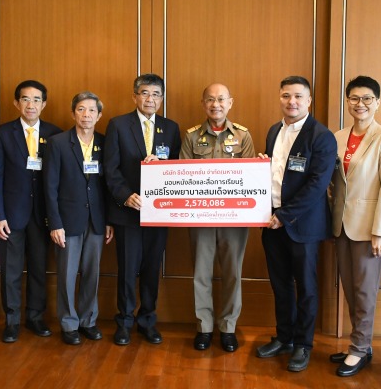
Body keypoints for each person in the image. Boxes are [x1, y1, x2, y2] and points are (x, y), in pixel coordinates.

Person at [255, 75, 336, 372]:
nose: (292, 102)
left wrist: (285, 216)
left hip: (302, 225)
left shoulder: (321, 136)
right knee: (280, 285)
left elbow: (317, 185)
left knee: (306, 287)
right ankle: (284, 337)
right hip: (271, 221)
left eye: (299, 97)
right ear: (280, 98)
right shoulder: (274, 130)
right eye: (286, 96)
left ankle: (303, 345)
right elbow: (275, 176)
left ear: (309, 101)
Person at [329, 76, 381, 376]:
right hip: (340, 225)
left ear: (377, 102)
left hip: (369, 229)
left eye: (367, 99)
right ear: (347, 102)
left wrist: (380, 230)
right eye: (354, 98)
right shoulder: (338, 136)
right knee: (350, 288)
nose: (360, 104)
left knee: (365, 292)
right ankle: (360, 344)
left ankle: (359, 349)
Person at [104, 73, 181, 346]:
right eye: (145, 93)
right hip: (128, 212)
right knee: (127, 269)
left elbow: (178, 171)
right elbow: (110, 170)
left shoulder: (171, 128)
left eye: (156, 94)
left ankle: (147, 320)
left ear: (162, 98)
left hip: (159, 213)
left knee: (151, 269)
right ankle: (124, 321)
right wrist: (126, 196)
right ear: (135, 96)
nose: (151, 99)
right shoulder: (118, 125)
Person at [180, 83, 255, 352]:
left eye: (221, 99)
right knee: (201, 273)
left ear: (230, 103)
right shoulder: (190, 137)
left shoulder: (243, 136)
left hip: (234, 218)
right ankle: (204, 327)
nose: (216, 105)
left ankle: (228, 327)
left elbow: (250, 179)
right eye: (210, 100)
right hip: (200, 218)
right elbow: (182, 180)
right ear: (203, 104)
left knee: (232, 273)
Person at [0, 80, 62, 343]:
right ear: (16, 103)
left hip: (43, 215)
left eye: (36, 100)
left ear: (44, 104)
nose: (30, 105)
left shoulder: (55, 134)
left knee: (39, 268)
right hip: (11, 214)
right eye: (25, 99)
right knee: (10, 269)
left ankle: (35, 317)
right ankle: (11, 321)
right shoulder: (2, 134)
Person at [44, 92, 114, 346]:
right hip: (67, 221)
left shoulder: (105, 143)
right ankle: (68, 323)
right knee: (67, 274)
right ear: (73, 113)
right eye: (81, 110)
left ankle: (88, 320)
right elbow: (49, 187)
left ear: (99, 115)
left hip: (96, 220)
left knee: (92, 274)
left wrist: (108, 220)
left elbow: (107, 186)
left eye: (92, 111)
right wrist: (55, 223)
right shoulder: (58, 143)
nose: (86, 115)